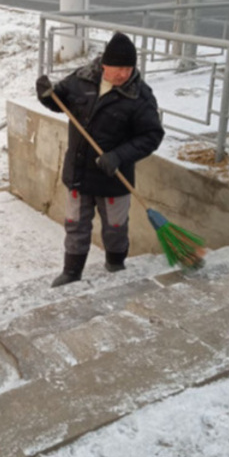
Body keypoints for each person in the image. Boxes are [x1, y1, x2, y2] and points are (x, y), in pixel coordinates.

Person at [35, 32, 165, 287]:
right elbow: (59, 101)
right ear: (104, 64)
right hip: (79, 174)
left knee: (115, 228)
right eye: (118, 67)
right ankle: (72, 273)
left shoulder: (140, 96)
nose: (123, 74)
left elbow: (152, 135)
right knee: (75, 225)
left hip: (114, 178)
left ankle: (116, 265)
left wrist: (119, 156)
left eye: (129, 68)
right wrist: (46, 95)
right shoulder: (81, 80)